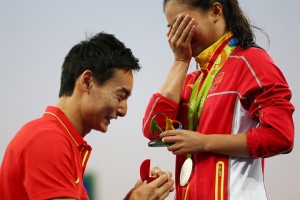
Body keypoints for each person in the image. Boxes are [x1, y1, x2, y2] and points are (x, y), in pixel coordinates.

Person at [142, 0, 295, 199]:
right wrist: (180, 62)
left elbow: (281, 136)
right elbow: (154, 129)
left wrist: (204, 142)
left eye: (182, 23)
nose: (176, 35)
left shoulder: (252, 62)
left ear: (215, 11)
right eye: (171, 27)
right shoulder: (192, 80)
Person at [0, 32, 174, 200]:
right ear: (87, 81)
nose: (123, 110)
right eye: (120, 96)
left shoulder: (64, 142)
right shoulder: (48, 140)